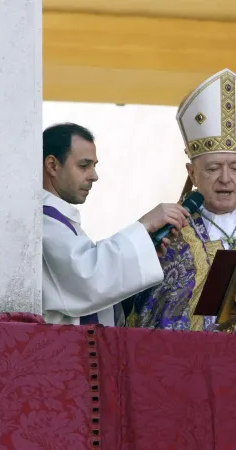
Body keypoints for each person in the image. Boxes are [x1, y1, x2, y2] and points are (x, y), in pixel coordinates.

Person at [127, 69, 236, 331]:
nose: (225, 178)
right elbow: (148, 312)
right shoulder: (171, 237)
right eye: (212, 168)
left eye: (235, 167)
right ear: (192, 173)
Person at [42, 122, 190, 326]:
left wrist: (143, 250)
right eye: (84, 165)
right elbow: (87, 278)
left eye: (94, 165)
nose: (94, 176)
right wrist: (144, 225)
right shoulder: (41, 220)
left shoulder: (59, 218)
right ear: (52, 165)